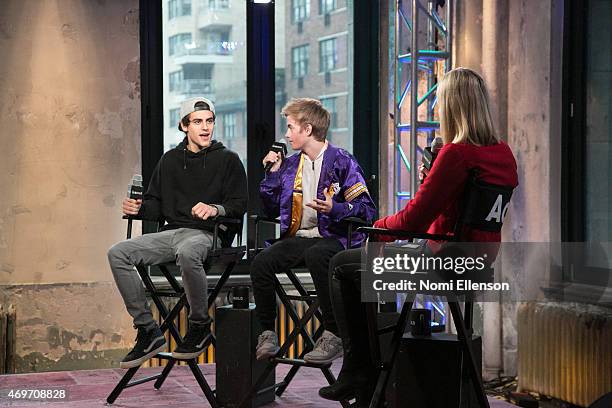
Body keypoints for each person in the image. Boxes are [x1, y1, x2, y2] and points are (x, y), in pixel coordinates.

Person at [318, 68, 519, 405]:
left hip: (443, 262)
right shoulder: (503, 154)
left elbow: (413, 217)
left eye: (441, 103)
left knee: (342, 264)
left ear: (452, 108)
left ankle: (358, 370)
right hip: (479, 262)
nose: (437, 109)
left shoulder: (457, 154)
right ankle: (366, 372)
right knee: (368, 263)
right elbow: (461, 215)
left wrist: (376, 228)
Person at [108, 97, 247, 368]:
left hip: (208, 234)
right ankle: (148, 330)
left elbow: (239, 204)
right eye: (197, 122)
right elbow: (156, 205)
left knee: (188, 250)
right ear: (184, 126)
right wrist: (138, 208)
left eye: (209, 121)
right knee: (118, 253)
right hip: (171, 232)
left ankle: (199, 325)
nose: (205, 127)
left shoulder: (229, 159)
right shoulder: (170, 160)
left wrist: (215, 209)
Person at [251, 98, 377, 364]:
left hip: (338, 238)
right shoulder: (289, 165)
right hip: (301, 239)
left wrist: (336, 209)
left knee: (319, 256)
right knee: (262, 261)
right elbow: (271, 209)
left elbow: (367, 210)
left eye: (290, 127)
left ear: (307, 129)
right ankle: (267, 332)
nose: (286, 134)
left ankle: (333, 333)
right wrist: (272, 174)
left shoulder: (342, 161)